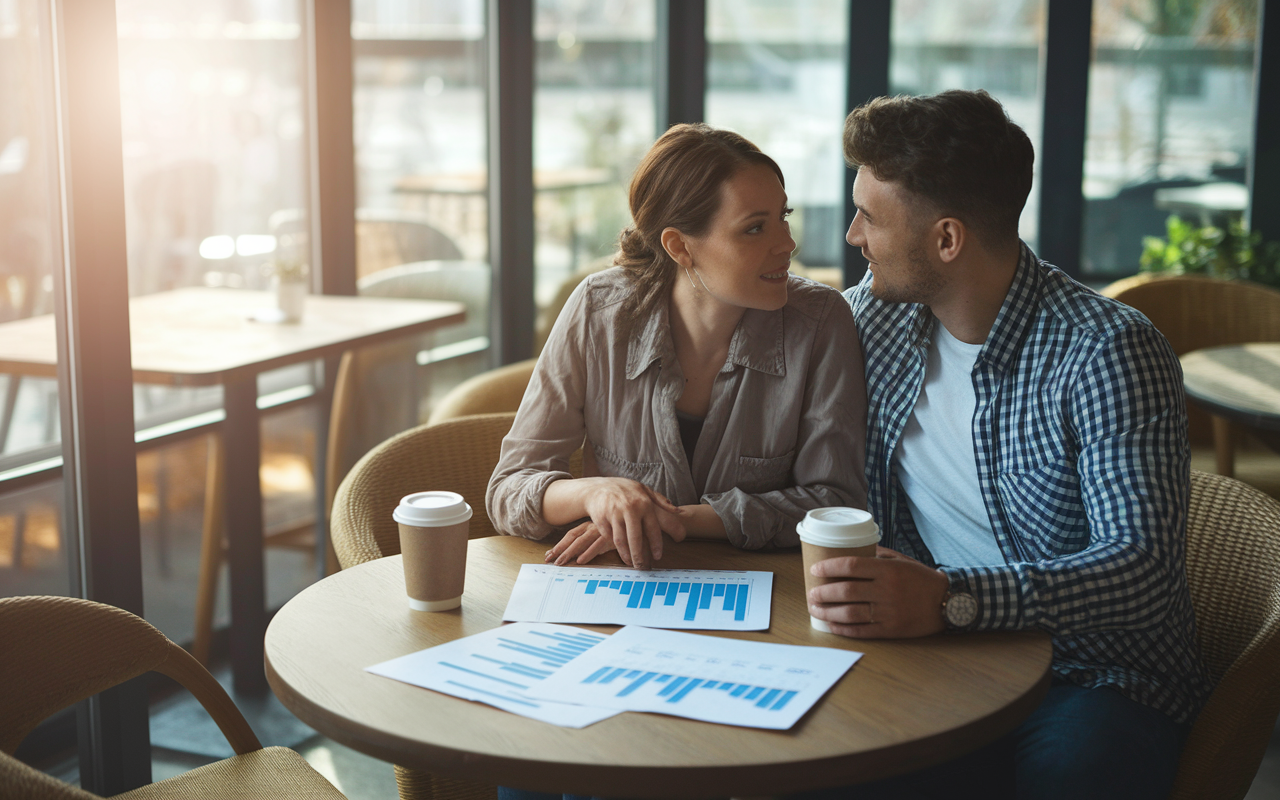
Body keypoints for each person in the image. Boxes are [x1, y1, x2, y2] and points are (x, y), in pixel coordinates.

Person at [804, 90, 1213, 799]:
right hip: (942, 658)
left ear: (948, 239)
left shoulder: (1108, 352)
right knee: (816, 767)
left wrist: (950, 600)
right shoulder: (874, 321)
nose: (852, 237)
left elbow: (1142, 569)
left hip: (1093, 674)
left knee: (1069, 774)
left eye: (870, 217)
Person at [486, 123, 867, 571]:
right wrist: (596, 493)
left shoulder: (821, 321)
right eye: (754, 229)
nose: (787, 243)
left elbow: (835, 502)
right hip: (620, 588)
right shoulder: (597, 312)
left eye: (783, 216)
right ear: (679, 246)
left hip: (767, 594)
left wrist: (674, 520)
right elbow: (509, 489)